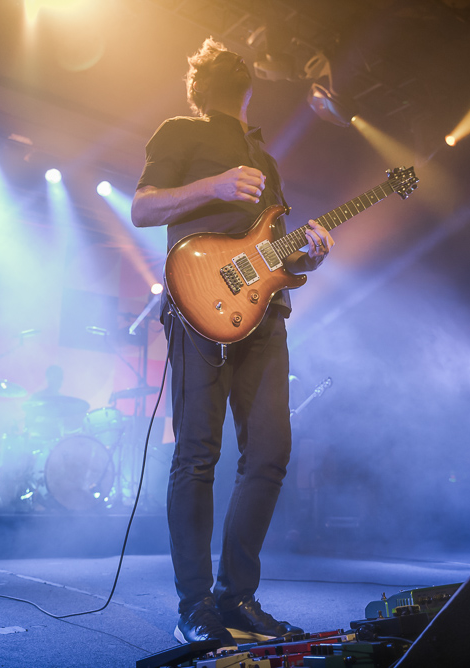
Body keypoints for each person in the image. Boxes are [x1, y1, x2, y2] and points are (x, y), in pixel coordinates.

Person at [131, 37, 334, 645]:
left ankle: (236, 595)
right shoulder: (179, 131)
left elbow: (276, 254)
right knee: (198, 452)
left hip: (264, 315)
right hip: (197, 307)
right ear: (201, 86)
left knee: (270, 453)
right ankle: (194, 605)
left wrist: (310, 254)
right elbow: (142, 208)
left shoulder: (266, 160)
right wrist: (212, 186)